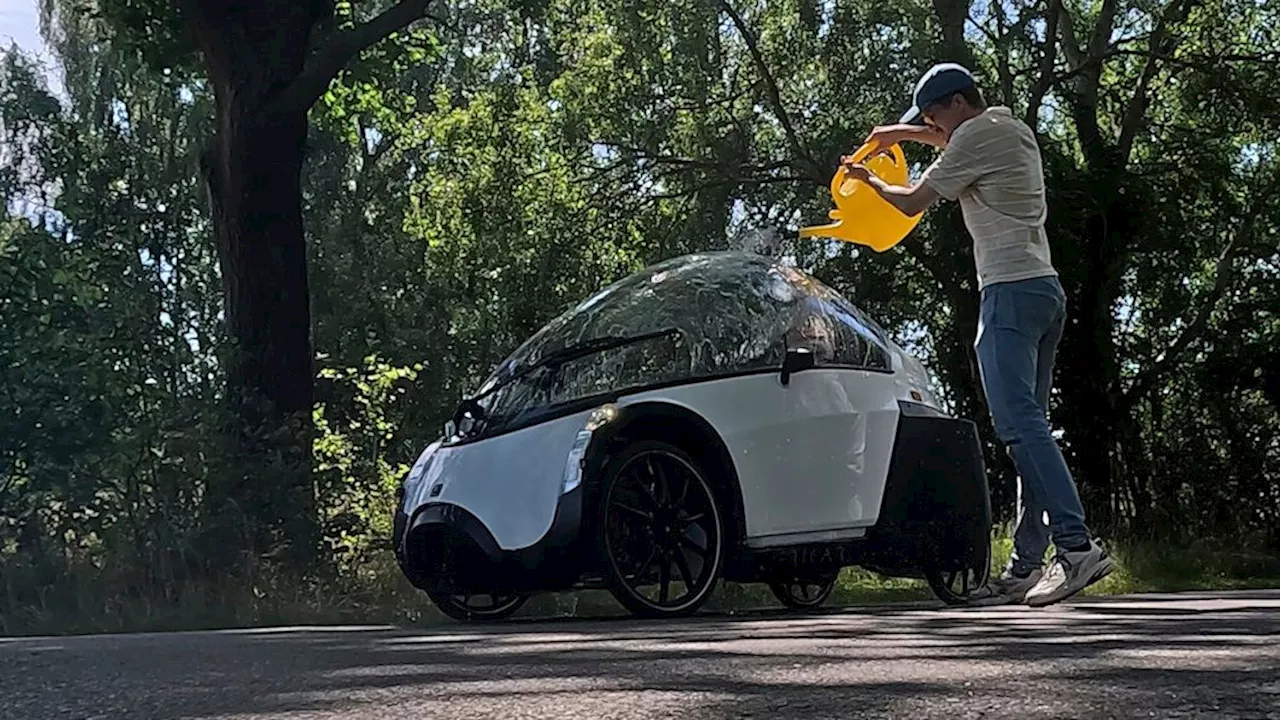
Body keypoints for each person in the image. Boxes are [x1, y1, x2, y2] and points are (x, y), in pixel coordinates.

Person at [840, 62, 1113, 607]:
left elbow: (915, 200)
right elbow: (949, 136)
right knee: (1030, 431)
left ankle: (1077, 549)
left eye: (934, 115)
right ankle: (1025, 568)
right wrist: (900, 134)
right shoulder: (1010, 129)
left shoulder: (972, 138)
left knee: (1018, 428)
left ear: (957, 105)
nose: (933, 126)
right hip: (1043, 290)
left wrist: (869, 180)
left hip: (1008, 293)